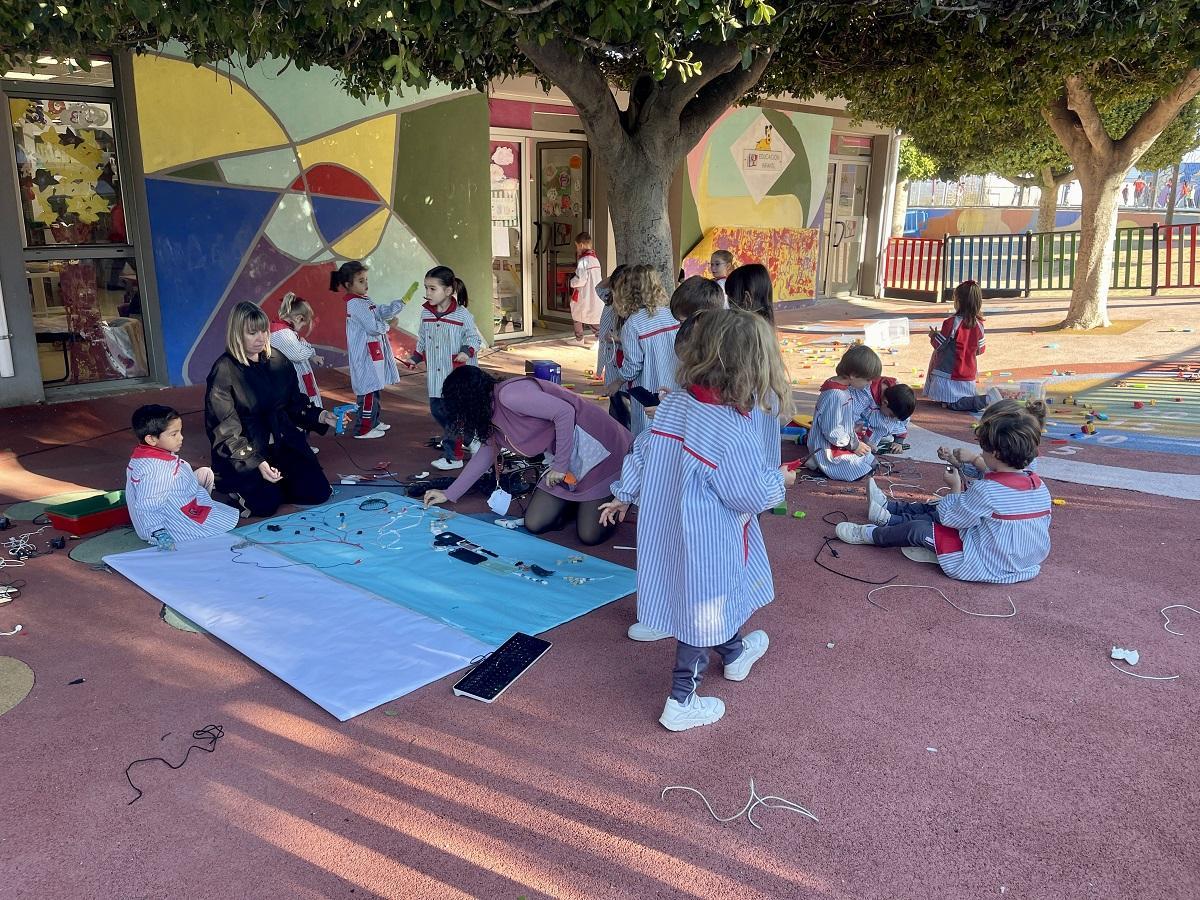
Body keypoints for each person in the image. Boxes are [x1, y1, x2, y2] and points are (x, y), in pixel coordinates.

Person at [599, 310, 797, 731]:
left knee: (705, 595)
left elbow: (644, 450)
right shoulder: (732, 426)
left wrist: (623, 494)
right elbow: (746, 493)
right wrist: (780, 482)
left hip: (668, 523)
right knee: (703, 604)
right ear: (752, 365)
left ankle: (735, 653)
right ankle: (680, 700)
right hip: (709, 533)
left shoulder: (676, 404)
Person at [836, 402, 1052, 584]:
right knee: (942, 508)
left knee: (919, 530)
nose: (981, 454)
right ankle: (888, 514)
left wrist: (954, 487)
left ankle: (871, 534)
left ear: (995, 453)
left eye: (984, 449)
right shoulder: (1038, 485)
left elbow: (951, 519)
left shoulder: (987, 490)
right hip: (1022, 561)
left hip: (984, 563)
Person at [422, 366, 633, 546]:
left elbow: (565, 413)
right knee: (535, 523)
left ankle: (621, 495)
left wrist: (559, 466)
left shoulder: (510, 396)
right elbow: (486, 453)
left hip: (600, 450)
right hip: (567, 461)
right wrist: (450, 493)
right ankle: (578, 503)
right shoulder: (488, 414)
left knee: (589, 535)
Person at [204, 301, 338, 518]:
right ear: (237, 334)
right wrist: (255, 462)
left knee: (318, 492)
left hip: (281, 442)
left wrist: (321, 416)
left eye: (264, 331)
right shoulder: (224, 370)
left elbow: (295, 403)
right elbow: (224, 430)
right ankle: (239, 488)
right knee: (265, 506)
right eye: (252, 333)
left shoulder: (278, 360)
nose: (260, 338)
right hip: (245, 450)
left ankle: (275, 485)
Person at [400, 265, 484, 471]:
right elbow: (422, 339)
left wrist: (466, 351)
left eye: (432, 289)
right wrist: (415, 357)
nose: (427, 293)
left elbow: (473, 338)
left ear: (448, 291)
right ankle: (471, 439)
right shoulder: (425, 314)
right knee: (437, 410)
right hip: (436, 374)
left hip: (457, 375)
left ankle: (453, 456)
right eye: (426, 288)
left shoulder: (462, 315)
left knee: (453, 414)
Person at [126, 404, 240, 549]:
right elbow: (148, 505)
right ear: (151, 439)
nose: (181, 437)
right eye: (174, 434)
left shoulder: (143, 456)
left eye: (180, 432)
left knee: (205, 473)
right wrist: (159, 533)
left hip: (164, 507)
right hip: (167, 524)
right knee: (216, 523)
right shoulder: (156, 470)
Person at [624, 275, 726, 414]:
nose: (680, 328)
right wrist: (675, 399)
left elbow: (707, 414)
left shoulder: (716, 363)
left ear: (701, 319)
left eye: (683, 323)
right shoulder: (705, 353)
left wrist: (668, 412)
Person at [331, 260, 406, 440]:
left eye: (366, 279)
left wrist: (398, 305)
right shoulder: (355, 304)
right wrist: (389, 326)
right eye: (361, 281)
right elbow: (372, 326)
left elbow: (378, 311)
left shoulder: (363, 300)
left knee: (374, 387)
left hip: (372, 353)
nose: (366, 284)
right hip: (365, 355)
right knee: (368, 391)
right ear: (349, 285)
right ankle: (363, 428)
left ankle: (373, 421)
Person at [616, 264, 679, 436]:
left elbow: (633, 366)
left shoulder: (633, 324)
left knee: (646, 439)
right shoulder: (672, 315)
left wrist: (617, 380)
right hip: (674, 389)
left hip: (648, 393)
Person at [806, 344, 883, 481]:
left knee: (869, 459)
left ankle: (818, 462)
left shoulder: (843, 389)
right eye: (867, 379)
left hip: (843, 441)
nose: (869, 383)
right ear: (853, 375)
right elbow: (832, 431)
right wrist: (854, 445)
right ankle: (817, 462)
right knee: (860, 469)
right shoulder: (835, 395)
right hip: (828, 446)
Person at [942, 398, 1046, 477]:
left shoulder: (1025, 460)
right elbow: (981, 471)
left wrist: (974, 459)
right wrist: (952, 459)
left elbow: (1002, 475)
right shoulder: (1001, 451)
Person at [924, 280, 986, 406]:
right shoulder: (979, 324)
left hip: (947, 373)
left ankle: (978, 402)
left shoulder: (951, 322)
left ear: (958, 301)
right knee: (960, 399)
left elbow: (939, 345)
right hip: (968, 374)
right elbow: (981, 350)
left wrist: (933, 336)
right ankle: (976, 401)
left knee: (950, 403)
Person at [271, 292, 324, 408]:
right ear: (298, 318)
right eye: (302, 325)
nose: (301, 329)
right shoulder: (282, 334)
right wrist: (306, 347)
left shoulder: (286, 332)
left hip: (300, 378)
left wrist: (312, 355)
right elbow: (298, 354)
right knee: (304, 409)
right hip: (295, 382)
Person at [596, 264, 631, 429]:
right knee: (615, 400)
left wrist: (617, 340)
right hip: (612, 361)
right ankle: (617, 433)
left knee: (624, 402)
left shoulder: (632, 309)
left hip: (625, 362)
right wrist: (616, 275)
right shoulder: (610, 298)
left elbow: (634, 341)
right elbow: (599, 287)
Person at [855, 378, 916, 453]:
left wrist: (898, 442)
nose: (890, 418)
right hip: (859, 433)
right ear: (884, 403)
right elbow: (856, 421)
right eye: (891, 415)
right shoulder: (866, 395)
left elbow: (900, 425)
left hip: (873, 435)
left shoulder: (896, 401)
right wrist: (864, 441)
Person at [568, 232, 603, 346]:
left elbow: (581, 279)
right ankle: (598, 339)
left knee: (578, 314)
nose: (577, 249)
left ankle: (580, 339)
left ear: (581, 245)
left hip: (584, 294)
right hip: (594, 294)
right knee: (593, 316)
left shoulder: (583, 261)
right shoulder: (595, 259)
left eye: (577, 246)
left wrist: (571, 282)